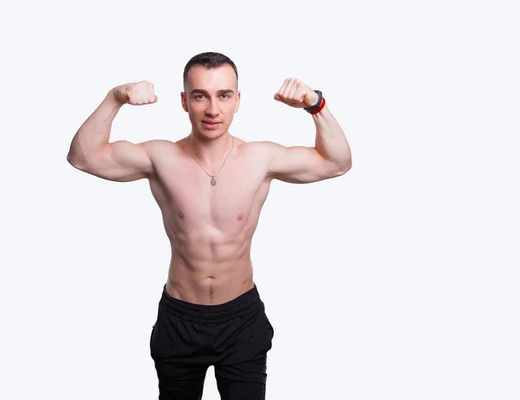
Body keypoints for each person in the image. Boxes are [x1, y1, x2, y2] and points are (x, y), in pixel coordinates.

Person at [66, 51, 352, 399]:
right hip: (180, 319)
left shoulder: (260, 159)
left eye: (224, 95)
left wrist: (315, 104)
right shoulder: (161, 158)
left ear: (237, 101)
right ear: (185, 101)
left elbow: (336, 163)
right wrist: (115, 98)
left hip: (241, 319)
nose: (213, 109)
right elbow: (82, 157)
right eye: (201, 96)